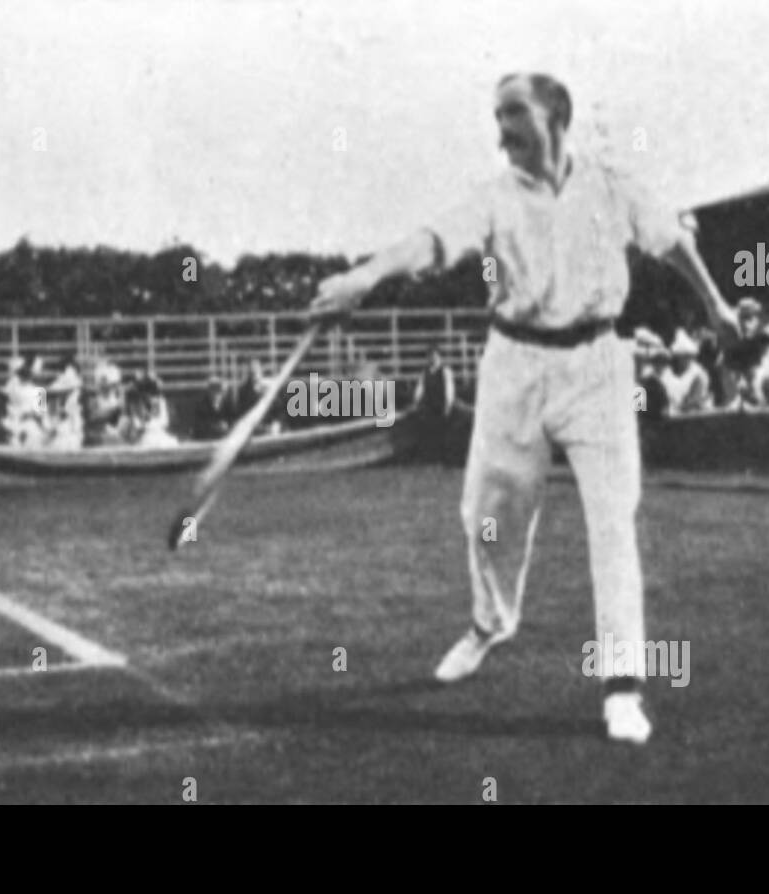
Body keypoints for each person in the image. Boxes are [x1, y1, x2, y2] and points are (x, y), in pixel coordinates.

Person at [308, 72, 739, 744]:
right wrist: (364, 276)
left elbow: (672, 241)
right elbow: (430, 239)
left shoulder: (613, 185)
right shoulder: (493, 198)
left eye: (513, 113)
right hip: (513, 366)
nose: (501, 129)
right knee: (486, 517)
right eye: (496, 115)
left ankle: (622, 686)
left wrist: (716, 305)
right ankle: (489, 625)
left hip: (598, 365)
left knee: (613, 523)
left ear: (557, 117)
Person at [661, 330, 712, 415]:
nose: (684, 359)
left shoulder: (698, 374)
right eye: (681, 356)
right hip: (669, 416)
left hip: (693, 417)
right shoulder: (663, 373)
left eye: (687, 355)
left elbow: (695, 400)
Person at [193, 376, 233, 440]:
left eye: (222, 392)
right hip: (205, 440)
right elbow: (199, 427)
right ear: (210, 391)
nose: (218, 394)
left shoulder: (227, 404)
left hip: (224, 439)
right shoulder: (201, 405)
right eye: (216, 390)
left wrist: (227, 425)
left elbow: (233, 421)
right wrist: (215, 427)